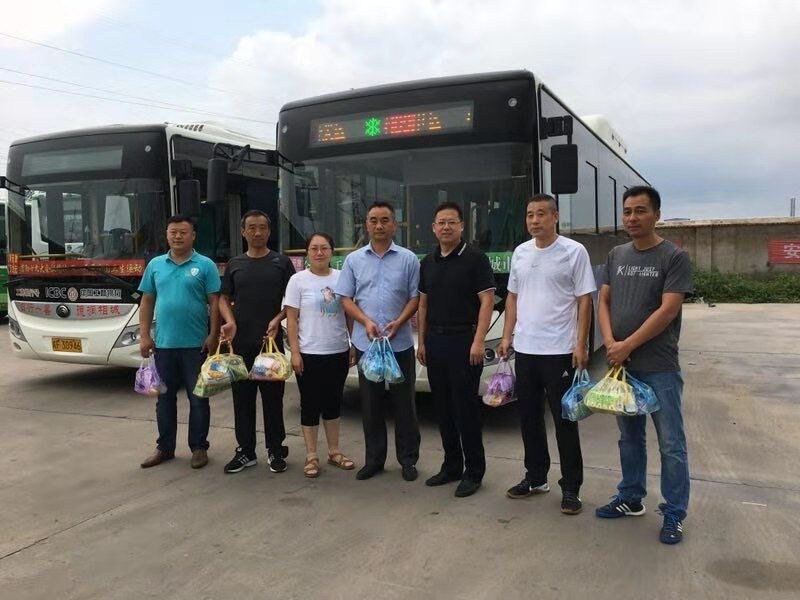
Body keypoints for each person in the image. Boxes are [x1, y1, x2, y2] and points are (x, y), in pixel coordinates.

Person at [594, 186, 693, 545]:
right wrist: (609, 342)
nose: (632, 218)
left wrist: (626, 345)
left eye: (640, 210)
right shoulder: (616, 255)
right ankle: (631, 497)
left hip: (659, 366)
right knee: (629, 438)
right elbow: (603, 301)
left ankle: (673, 513)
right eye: (627, 211)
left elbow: (668, 310)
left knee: (671, 443)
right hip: (623, 367)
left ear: (656, 215)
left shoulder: (674, 257)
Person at [498, 194, 596, 514]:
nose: (535, 220)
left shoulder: (573, 251)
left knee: (564, 420)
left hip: (560, 351)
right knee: (529, 418)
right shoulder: (521, 253)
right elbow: (512, 297)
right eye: (530, 214)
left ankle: (571, 488)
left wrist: (580, 345)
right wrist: (506, 336)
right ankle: (536, 477)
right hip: (526, 350)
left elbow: (584, 300)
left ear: (555, 217)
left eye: (541, 214)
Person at [335, 201, 421, 482]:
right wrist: (365, 321)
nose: (379, 225)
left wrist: (401, 320)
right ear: (366, 225)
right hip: (367, 343)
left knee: (404, 405)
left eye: (385, 220)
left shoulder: (408, 259)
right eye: (373, 220)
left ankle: (408, 460)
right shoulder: (354, 260)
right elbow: (345, 298)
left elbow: (415, 297)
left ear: (394, 224)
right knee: (370, 405)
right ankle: (374, 460)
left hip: (399, 344)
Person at [417, 202, 495, 498]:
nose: (446, 227)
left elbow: (487, 301)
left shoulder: (476, 259)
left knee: (466, 410)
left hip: (465, 341)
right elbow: (423, 305)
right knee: (443, 408)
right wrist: (422, 341)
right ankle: (451, 465)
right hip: (435, 342)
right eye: (441, 222)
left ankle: (474, 472)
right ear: (433, 228)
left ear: (462, 226)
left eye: (452, 222)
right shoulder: (428, 261)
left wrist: (479, 340)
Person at [138, 215, 221, 469]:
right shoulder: (155, 265)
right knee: (164, 399)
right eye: (173, 232)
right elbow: (147, 301)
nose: (178, 236)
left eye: (183, 232)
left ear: (193, 236)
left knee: (198, 398)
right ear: (166, 235)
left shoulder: (205, 265)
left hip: (196, 346)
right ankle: (165, 448)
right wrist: (144, 335)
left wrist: (213, 334)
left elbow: (215, 302)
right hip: (163, 345)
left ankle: (199, 447)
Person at [218, 210, 296, 474]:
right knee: (242, 399)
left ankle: (275, 449)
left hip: (270, 345)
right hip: (240, 344)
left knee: (273, 400)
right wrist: (230, 320)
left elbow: (292, 301)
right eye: (251, 227)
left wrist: (277, 319)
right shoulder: (235, 263)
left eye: (262, 227)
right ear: (243, 232)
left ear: (269, 231)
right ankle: (246, 451)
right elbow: (223, 298)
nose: (257, 232)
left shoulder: (281, 263)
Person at [284, 232, 357, 478]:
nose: (319, 253)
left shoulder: (342, 277)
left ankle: (334, 451)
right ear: (307, 252)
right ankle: (311, 455)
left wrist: (352, 344)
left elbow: (349, 314)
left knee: (333, 402)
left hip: (338, 350)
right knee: (310, 404)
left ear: (331, 251)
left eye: (324, 248)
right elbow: (292, 320)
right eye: (314, 248)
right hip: (308, 353)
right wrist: (295, 352)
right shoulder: (297, 280)